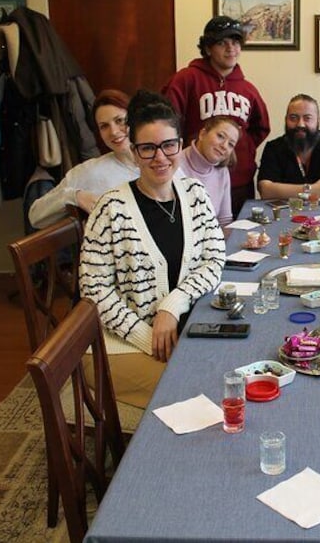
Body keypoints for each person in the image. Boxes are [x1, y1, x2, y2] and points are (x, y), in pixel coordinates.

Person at [79, 90, 225, 409]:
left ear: (180, 144)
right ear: (134, 152)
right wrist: (149, 339)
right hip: (121, 345)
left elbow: (214, 259)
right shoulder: (111, 209)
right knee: (197, 399)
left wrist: (172, 305)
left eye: (168, 145)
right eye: (147, 148)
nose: (160, 157)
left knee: (235, 375)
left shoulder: (194, 193)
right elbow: (94, 291)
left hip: (184, 330)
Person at [163, 16, 270, 216]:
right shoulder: (186, 79)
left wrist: (242, 150)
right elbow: (168, 123)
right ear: (208, 48)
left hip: (239, 183)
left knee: (239, 237)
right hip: (195, 179)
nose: (231, 48)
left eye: (236, 42)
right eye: (222, 43)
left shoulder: (248, 89)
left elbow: (261, 127)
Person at [28, 89, 138, 228]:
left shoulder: (163, 162)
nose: (114, 132)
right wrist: (74, 196)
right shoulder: (91, 172)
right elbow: (35, 216)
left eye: (120, 120)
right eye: (104, 126)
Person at [257, 94, 320, 200]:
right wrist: (313, 189)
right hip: (285, 214)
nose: (300, 124)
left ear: (318, 120)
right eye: (293, 118)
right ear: (285, 120)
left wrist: (283, 191)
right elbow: (265, 191)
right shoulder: (273, 148)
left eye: (307, 118)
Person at [175, 116, 240, 227]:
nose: (224, 146)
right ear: (202, 134)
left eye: (231, 144)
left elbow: (224, 221)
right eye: (220, 136)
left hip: (213, 240)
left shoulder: (222, 171)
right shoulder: (174, 166)